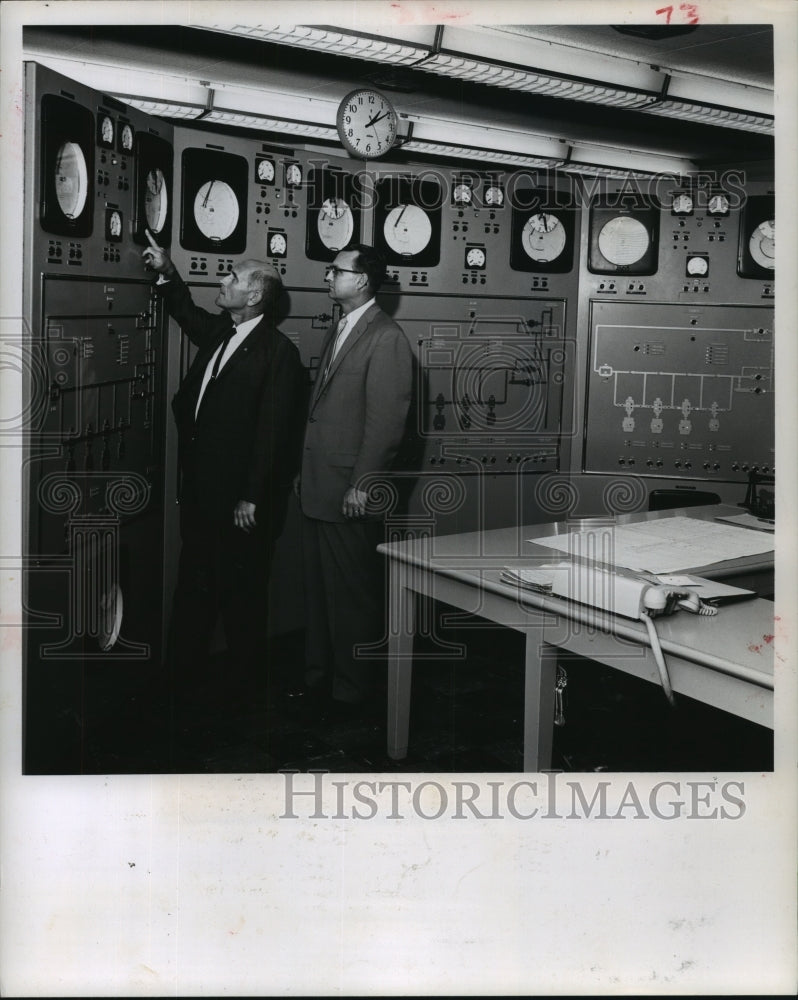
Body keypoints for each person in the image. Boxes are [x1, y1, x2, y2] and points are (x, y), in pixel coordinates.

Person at [142, 243, 306, 713]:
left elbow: (274, 434)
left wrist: (251, 496)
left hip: (239, 503)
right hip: (201, 494)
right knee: (193, 588)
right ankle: (179, 681)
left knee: (240, 597)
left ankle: (242, 693)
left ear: (254, 295)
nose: (222, 282)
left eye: (232, 278)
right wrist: (168, 271)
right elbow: (186, 312)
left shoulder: (278, 355)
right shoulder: (221, 331)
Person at [296, 244, 415, 711]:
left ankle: (352, 692)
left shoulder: (386, 337)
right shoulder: (343, 327)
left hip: (349, 488)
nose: (328, 277)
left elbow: (387, 423)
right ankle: (319, 678)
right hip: (320, 483)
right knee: (320, 593)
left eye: (336, 271)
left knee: (350, 596)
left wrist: (363, 484)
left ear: (362, 280)